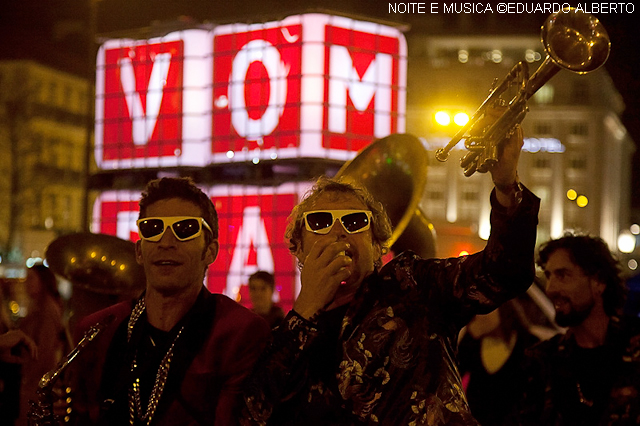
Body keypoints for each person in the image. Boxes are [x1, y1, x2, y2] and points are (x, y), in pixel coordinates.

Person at [241, 119, 540, 425]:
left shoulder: (414, 285)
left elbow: (506, 272)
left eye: (355, 221)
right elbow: (253, 414)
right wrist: (304, 311)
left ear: (377, 244)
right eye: (320, 222)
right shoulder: (280, 335)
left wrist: (506, 186)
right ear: (298, 247)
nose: (339, 232)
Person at [62, 177, 271, 425]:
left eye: (185, 229)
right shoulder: (97, 330)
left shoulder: (240, 332)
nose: (166, 242)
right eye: (153, 228)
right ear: (139, 251)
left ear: (210, 251)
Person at [515, 233, 640, 425]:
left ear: (598, 282)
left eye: (562, 275)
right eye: (548, 276)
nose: (550, 289)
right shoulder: (542, 361)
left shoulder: (634, 348)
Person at [457, 291, 558, 426]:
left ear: (503, 308)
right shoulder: (472, 342)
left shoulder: (528, 344)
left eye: (485, 310)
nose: (479, 316)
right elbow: (455, 374)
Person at [17, 264, 68, 426]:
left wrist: (29, 378)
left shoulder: (47, 310)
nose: (26, 283)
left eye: (31, 278)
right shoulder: (39, 307)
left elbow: (44, 352)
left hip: (37, 384)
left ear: (43, 281)